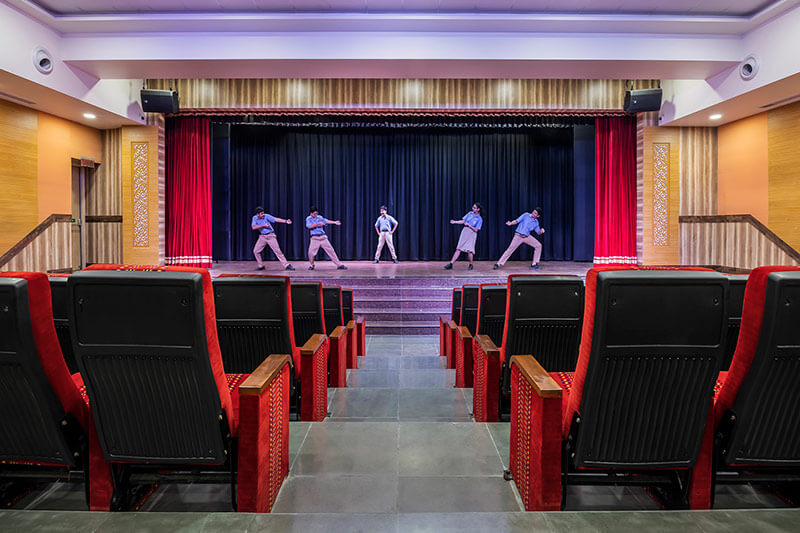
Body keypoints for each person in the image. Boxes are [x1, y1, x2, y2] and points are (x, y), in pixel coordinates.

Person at [251, 206, 295, 271]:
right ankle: (260, 266)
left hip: (270, 236)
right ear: (257, 214)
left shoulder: (266, 216)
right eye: (261, 214)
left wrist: (285, 221)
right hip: (262, 237)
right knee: (256, 251)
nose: (263, 215)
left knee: (278, 251)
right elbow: (253, 227)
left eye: (263, 213)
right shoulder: (254, 218)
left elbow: (276, 219)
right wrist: (263, 225)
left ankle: (287, 265)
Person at [305, 206, 347, 271]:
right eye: (314, 214)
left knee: (331, 251)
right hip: (315, 238)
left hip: (323, 237)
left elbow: (326, 221)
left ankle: (339, 265)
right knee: (310, 253)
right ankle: (311, 265)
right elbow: (309, 226)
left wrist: (334, 222)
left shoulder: (319, 217)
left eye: (316, 213)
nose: (315, 215)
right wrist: (318, 224)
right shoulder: (308, 219)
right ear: (311, 213)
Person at [444, 203, 483, 270]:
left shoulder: (479, 219)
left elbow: (476, 230)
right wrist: (455, 222)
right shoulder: (470, 213)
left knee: (469, 250)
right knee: (458, 248)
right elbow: (463, 221)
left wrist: (469, 225)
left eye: (474, 207)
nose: (473, 208)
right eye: (473, 207)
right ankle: (451, 264)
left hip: (472, 234)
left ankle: (471, 264)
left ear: (478, 209)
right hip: (465, 232)